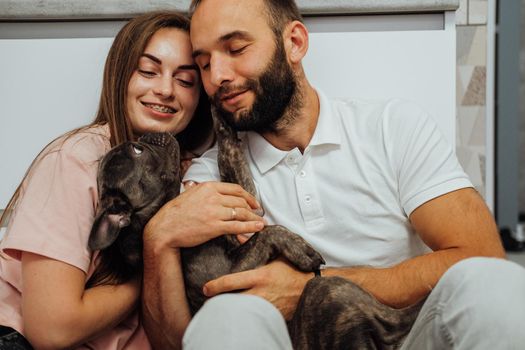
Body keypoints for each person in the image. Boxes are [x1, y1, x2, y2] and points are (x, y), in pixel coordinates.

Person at [142, 0, 525, 349]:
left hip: (406, 339)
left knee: (491, 285)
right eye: (204, 63)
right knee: (228, 316)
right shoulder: (212, 178)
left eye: (236, 48)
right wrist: (158, 238)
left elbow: (481, 256)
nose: (217, 76)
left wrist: (311, 287)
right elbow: (181, 339)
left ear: (294, 42)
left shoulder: (391, 127)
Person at [0, 11, 215, 349]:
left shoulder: (195, 175)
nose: (165, 90)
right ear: (120, 75)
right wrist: (156, 261)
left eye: (186, 81)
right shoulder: (78, 158)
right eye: (148, 71)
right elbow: (53, 328)